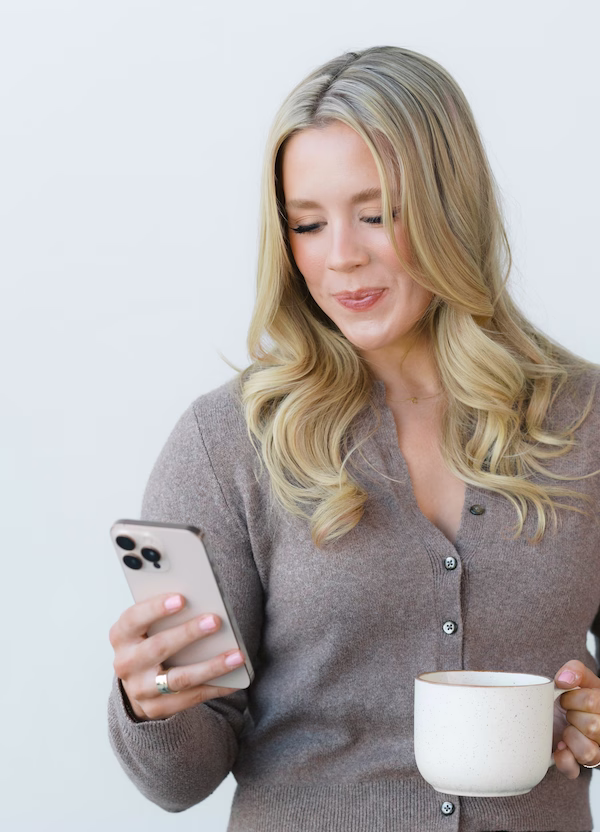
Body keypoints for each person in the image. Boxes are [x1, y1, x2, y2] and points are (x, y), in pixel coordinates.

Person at [107, 45, 600, 832]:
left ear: (451, 208)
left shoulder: (583, 419)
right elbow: (178, 782)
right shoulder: (228, 442)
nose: (340, 255)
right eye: (308, 223)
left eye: (377, 215)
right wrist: (152, 701)